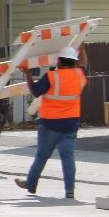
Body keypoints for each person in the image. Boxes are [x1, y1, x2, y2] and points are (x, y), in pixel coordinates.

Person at [15, 46, 88, 199]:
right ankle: (70, 191)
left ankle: (31, 184)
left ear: (59, 61)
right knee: (68, 157)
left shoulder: (51, 76)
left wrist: (28, 73)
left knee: (42, 155)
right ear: (74, 62)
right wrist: (82, 46)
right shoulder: (80, 75)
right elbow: (84, 62)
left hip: (50, 124)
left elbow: (35, 91)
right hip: (70, 124)